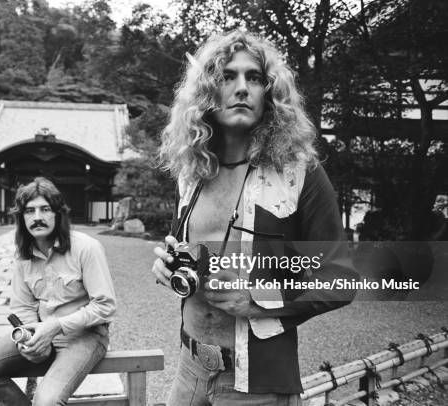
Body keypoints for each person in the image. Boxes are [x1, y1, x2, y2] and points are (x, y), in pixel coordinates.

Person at [151, 30, 358, 405]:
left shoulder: (299, 173)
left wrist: (258, 298)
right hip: (190, 368)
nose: (242, 87)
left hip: (255, 382)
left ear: (270, 93)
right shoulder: (192, 173)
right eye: (228, 76)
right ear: (207, 93)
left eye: (255, 77)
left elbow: (340, 279)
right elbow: (184, 249)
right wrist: (168, 266)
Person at [0, 177, 116, 406]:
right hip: (41, 332)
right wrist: (29, 340)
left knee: (47, 401)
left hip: (84, 336)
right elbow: (22, 306)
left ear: (58, 213)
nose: (37, 217)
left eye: (45, 209)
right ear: (21, 217)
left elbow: (105, 307)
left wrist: (55, 327)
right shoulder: (23, 256)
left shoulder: (86, 248)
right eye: (29, 211)